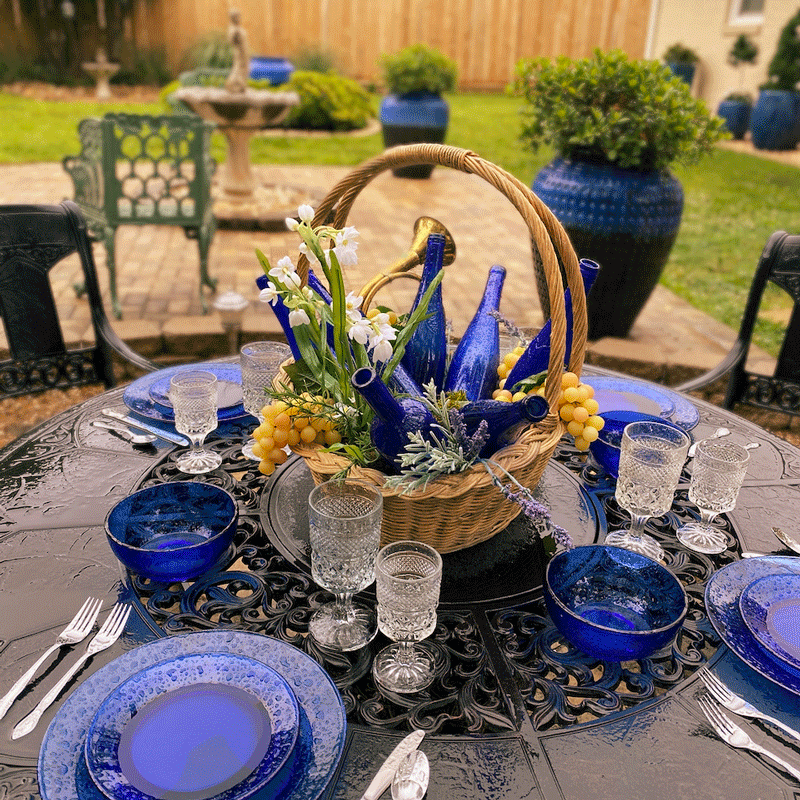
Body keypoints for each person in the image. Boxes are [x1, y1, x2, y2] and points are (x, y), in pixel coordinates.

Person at [225, 8, 249, 93]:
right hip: (239, 52)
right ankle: (231, 84)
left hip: (244, 51)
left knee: (244, 68)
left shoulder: (237, 28)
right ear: (233, 18)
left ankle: (241, 86)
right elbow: (231, 40)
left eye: (239, 16)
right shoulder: (233, 29)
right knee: (238, 67)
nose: (239, 18)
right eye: (237, 17)